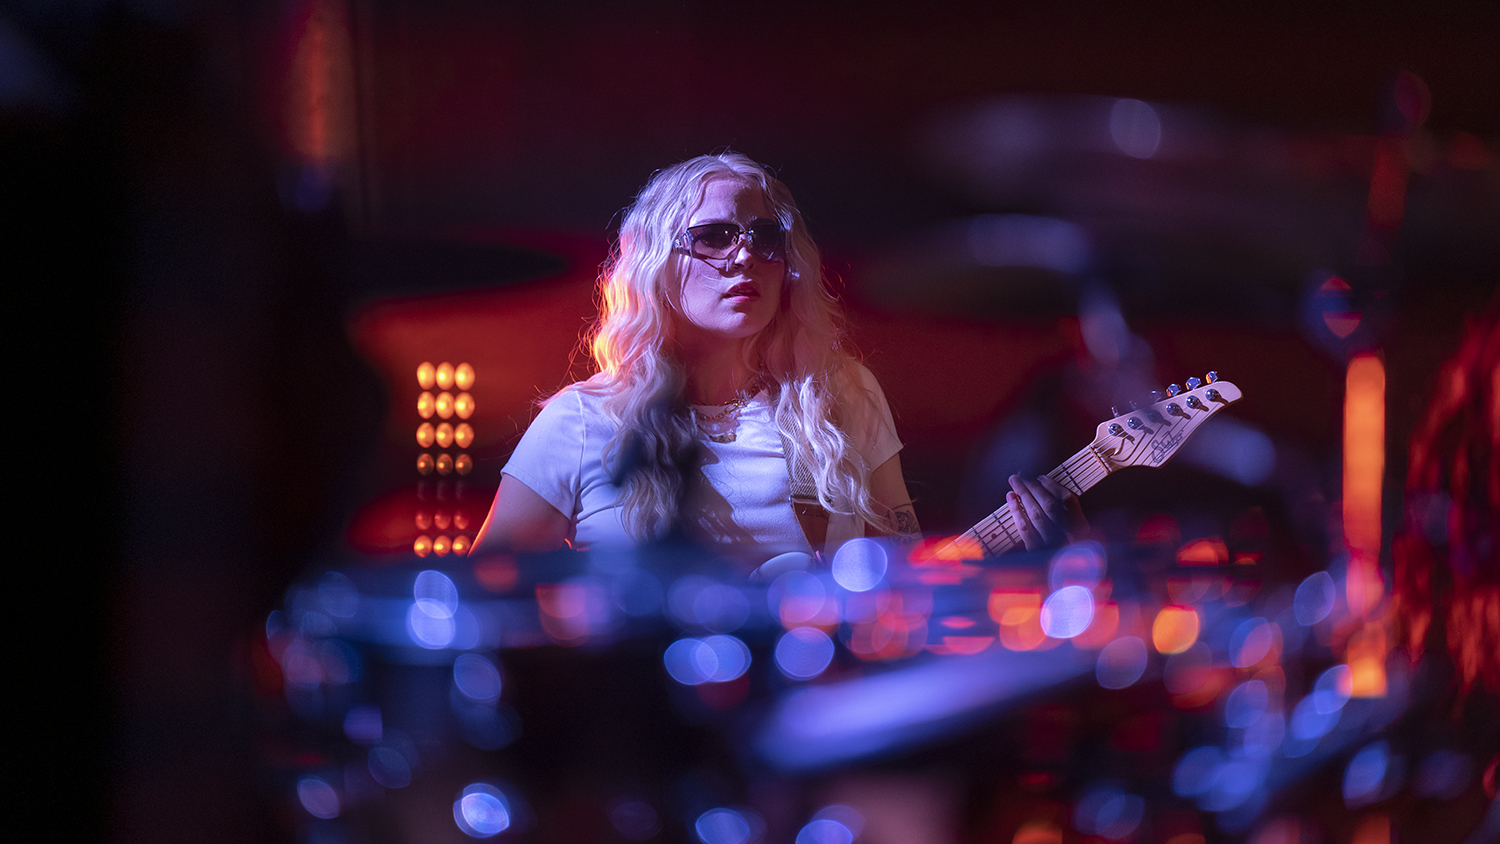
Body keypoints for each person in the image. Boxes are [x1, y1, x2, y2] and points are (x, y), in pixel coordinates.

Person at [471, 152, 1083, 567]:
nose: (745, 257)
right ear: (656, 264)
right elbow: (487, 589)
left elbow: (904, 578)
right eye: (714, 236)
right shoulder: (582, 420)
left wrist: (1021, 549)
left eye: (765, 238)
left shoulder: (839, 396)